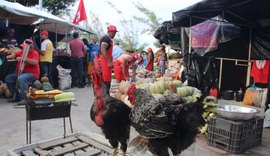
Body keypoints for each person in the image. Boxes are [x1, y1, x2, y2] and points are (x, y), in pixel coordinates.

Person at [5, 39, 40, 103]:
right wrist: (12, 56)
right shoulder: (22, 52)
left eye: (25, 47)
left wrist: (23, 59)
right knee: (8, 79)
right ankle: (17, 96)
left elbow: (35, 62)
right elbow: (15, 53)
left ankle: (26, 99)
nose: (23, 48)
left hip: (32, 74)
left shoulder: (34, 53)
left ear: (30, 47)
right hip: (20, 72)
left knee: (21, 78)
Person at [99, 25, 118, 95]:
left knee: (107, 79)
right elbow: (103, 49)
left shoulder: (108, 39)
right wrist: (108, 61)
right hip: (105, 61)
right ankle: (105, 96)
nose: (114, 34)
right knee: (106, 79)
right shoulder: (106, 38)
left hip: (106, 61)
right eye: (113, 32)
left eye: (115, 33)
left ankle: (105, 95)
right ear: (109, 31)